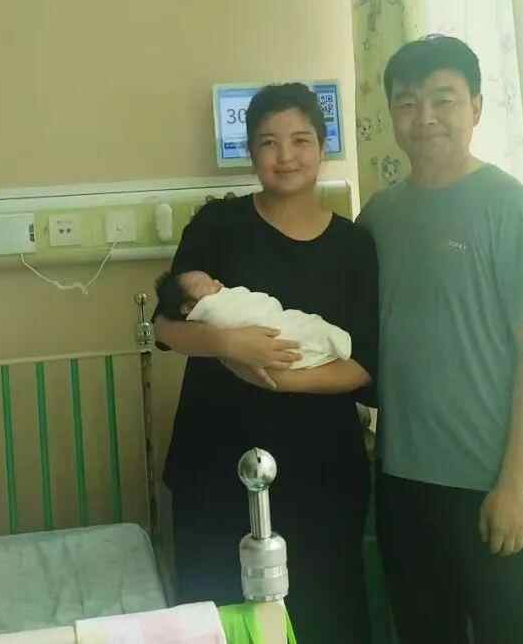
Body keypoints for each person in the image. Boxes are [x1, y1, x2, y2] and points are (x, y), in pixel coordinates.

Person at [154, 82, 377, 643]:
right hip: (215, 461)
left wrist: (279, 378)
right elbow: (165, 328)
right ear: (250, 152)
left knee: (324, 614)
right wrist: (229, 345)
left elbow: (363, 366)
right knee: (219, 616)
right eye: (268, 142)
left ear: (322, 146)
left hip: (319, 467)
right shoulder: (216, 226)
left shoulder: (354, 247)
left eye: (301, 140)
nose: (286, 156)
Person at [357, 35, 523, 644]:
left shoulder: (506, 205)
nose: (425, 117)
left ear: (477, 107)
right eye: (407, 102)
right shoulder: (379, 217)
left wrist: (514, 485)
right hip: (401, 481)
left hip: (487, 484)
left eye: (443, 99)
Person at [153, 269, 352, 372]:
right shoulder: (209, 307)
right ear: (188, 307)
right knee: (303, 332)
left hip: (278, 321)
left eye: (212, 279)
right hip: (228, 399)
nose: (216, 282)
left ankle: (326, 340)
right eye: (203, 284)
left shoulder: (351, 239)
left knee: (304, 323)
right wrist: (229, 344)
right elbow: (161, 327)